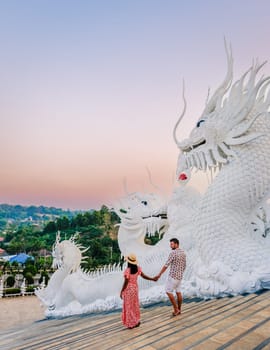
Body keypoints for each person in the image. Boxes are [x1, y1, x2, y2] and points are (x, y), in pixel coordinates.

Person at [120, 253, 156, 329]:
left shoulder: (127, 271)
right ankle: (136, 321)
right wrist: (152, 278)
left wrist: (122, 291)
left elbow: (126, 282)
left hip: (129, 289)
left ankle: (130, 323)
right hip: (135, 289)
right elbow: (144, 276)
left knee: (129, 306)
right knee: (134, 305)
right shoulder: (138, 268)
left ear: (128, 262)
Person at [155, 238, 186, 316]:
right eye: (170, 244)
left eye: (172, 244)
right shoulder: (183, 252)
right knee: (178, 292)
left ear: (176, 244)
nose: (170, 246)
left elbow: (166, 264)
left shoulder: (173, 253)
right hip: (179, 277)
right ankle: (179, 309)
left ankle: (176, 309)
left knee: (168, 291)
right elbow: (184, 265)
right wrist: (180, 272)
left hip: (173, 276)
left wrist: (159, 274)